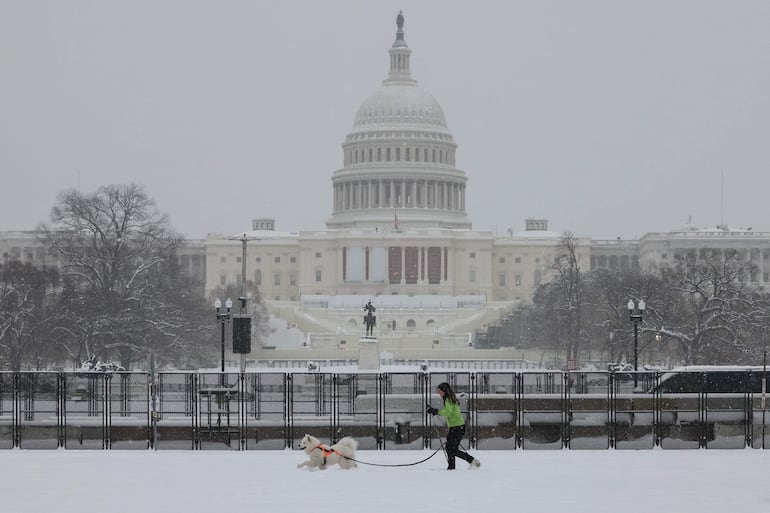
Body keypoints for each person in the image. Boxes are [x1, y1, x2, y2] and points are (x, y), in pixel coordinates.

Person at [426, 382, 481, 470]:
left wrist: (436, 411)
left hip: (457, 428)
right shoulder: (449, 399)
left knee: (452, 449)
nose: (438, 392)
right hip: (456, 427)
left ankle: (473, 461)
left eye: (439, 391)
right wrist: (434, 411)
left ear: (444, 391)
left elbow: (448, 412)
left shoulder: (448, 399)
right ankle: (451, 467)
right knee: (449, 448)